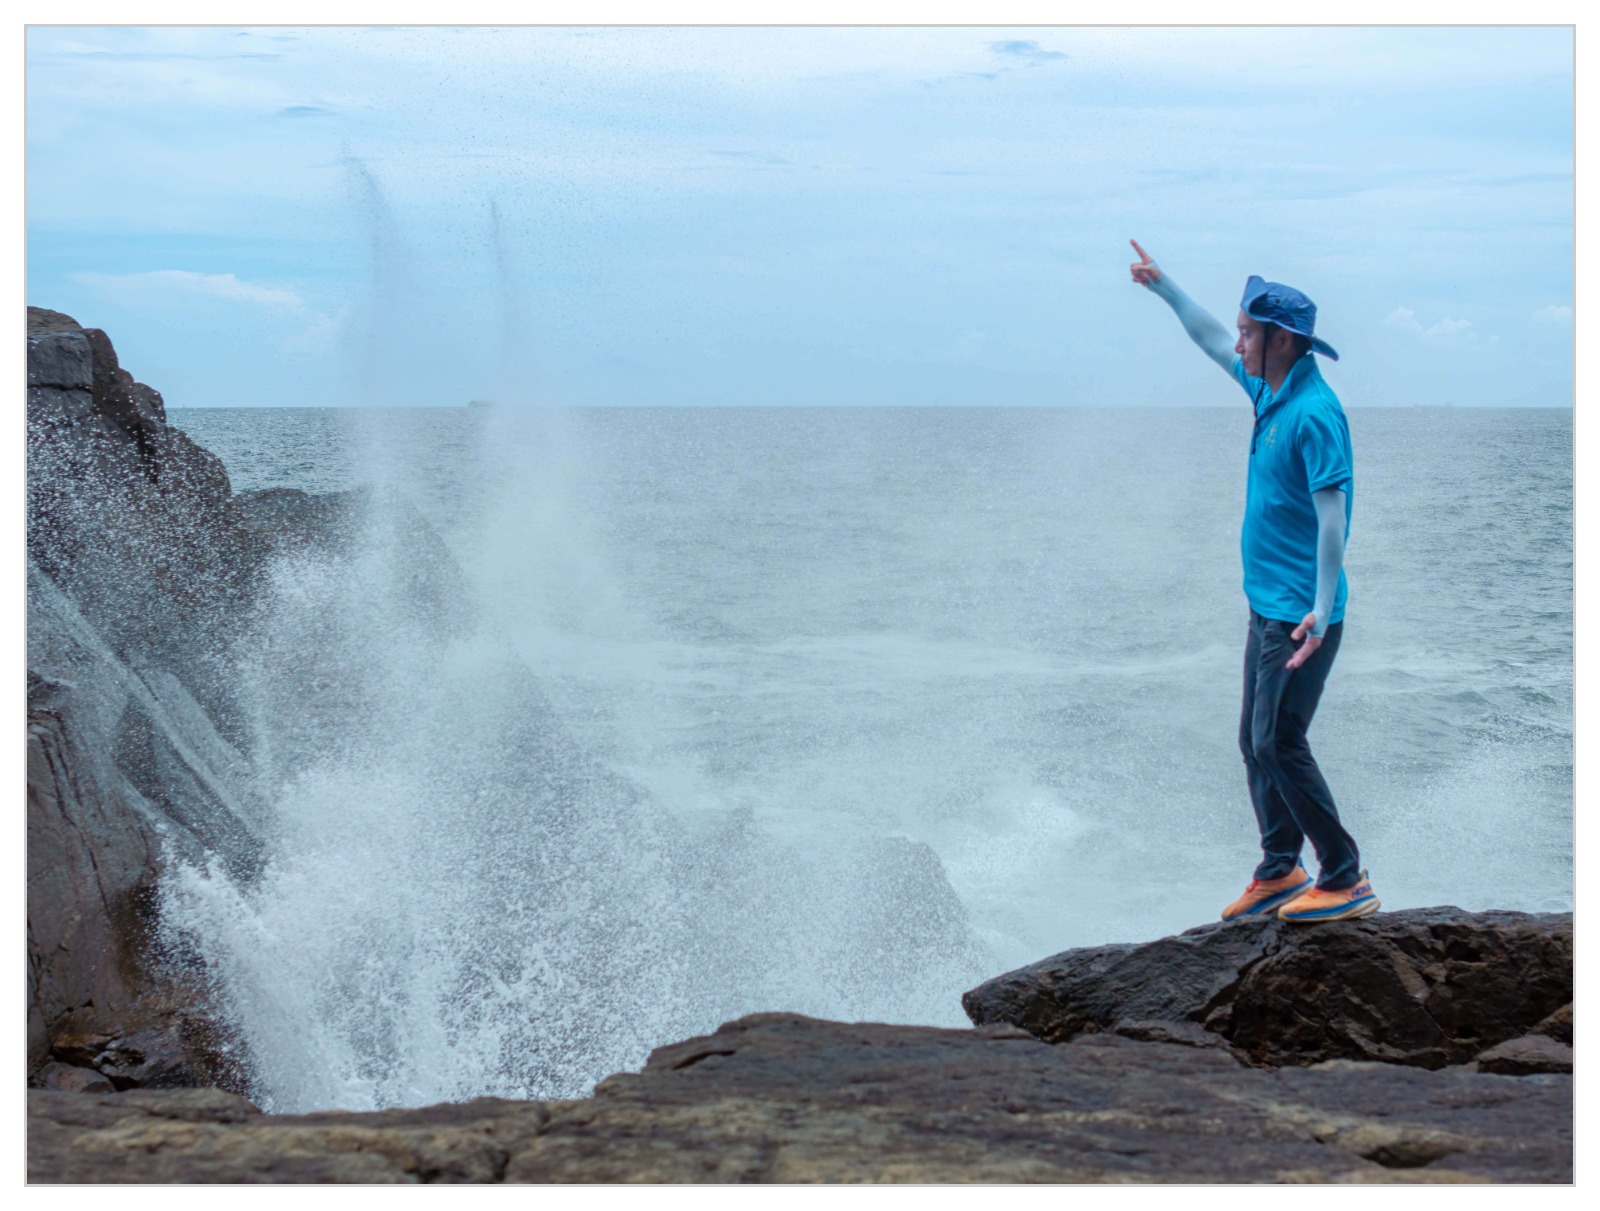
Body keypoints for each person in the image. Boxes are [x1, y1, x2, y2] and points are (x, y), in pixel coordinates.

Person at [1128, 239, 1378, 923]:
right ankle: (1280, 867)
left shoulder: (1315, 414)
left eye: (1249, 332)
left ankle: (1346, 873)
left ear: (1283, 339)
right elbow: (1211, 338)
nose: (1237, 342)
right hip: (1269, 606)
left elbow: (1335, 521)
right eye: (1241, 328)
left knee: (1279, 741)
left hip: (1303, 615)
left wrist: (1321, 611)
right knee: (1254, 738)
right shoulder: (1271, 388)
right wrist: (1164, 286)